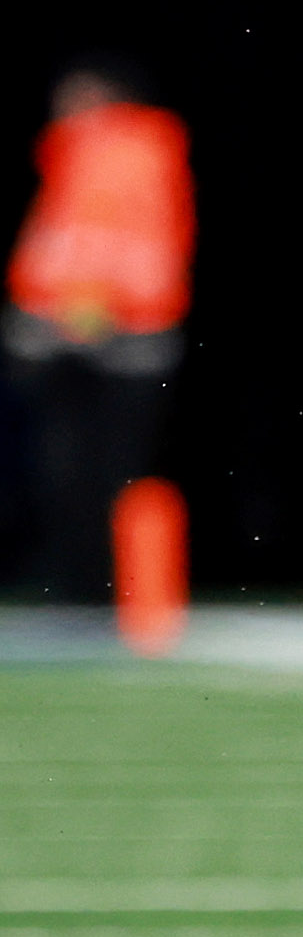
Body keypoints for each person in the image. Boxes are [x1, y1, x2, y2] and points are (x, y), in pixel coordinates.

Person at [6, 63, 192, 607]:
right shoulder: (100, 148)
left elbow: (97, 242)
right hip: (110, 326)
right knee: (89, 465)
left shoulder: (114, 145)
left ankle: (99, 589)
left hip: (104, 331)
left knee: (92, 466)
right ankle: (93, 587)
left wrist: (70, 322)